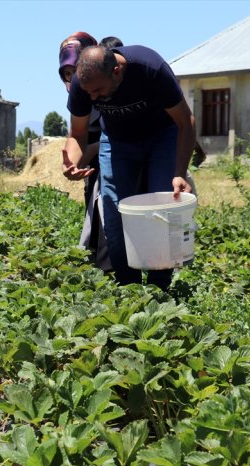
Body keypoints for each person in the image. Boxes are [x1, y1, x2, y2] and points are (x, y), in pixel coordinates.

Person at [64, 44, 195, 290]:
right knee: (114, 213)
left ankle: (159, 289)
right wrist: (72, 162)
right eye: (89, 92)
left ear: (116, 71)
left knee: (162, 210)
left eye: (98, 91)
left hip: (161, 137)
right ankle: (128, 288)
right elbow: (78, 134)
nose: (93, 98)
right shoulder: (84, 84)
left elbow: (186, 122)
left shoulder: (150, 68)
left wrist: (179, 173)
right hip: (117, 141)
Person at [58, 32, 111, 271]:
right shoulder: (79, 96)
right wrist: (74, 162)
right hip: (92, 162)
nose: (73, 79)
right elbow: (77, 134)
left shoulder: (106, 90)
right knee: (93, 206)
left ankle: (108, 268)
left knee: (108, 210)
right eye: (67, 74)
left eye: (76, 70)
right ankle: (96, 264)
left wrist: (91, 151)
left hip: (116, 158)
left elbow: (115, 135)